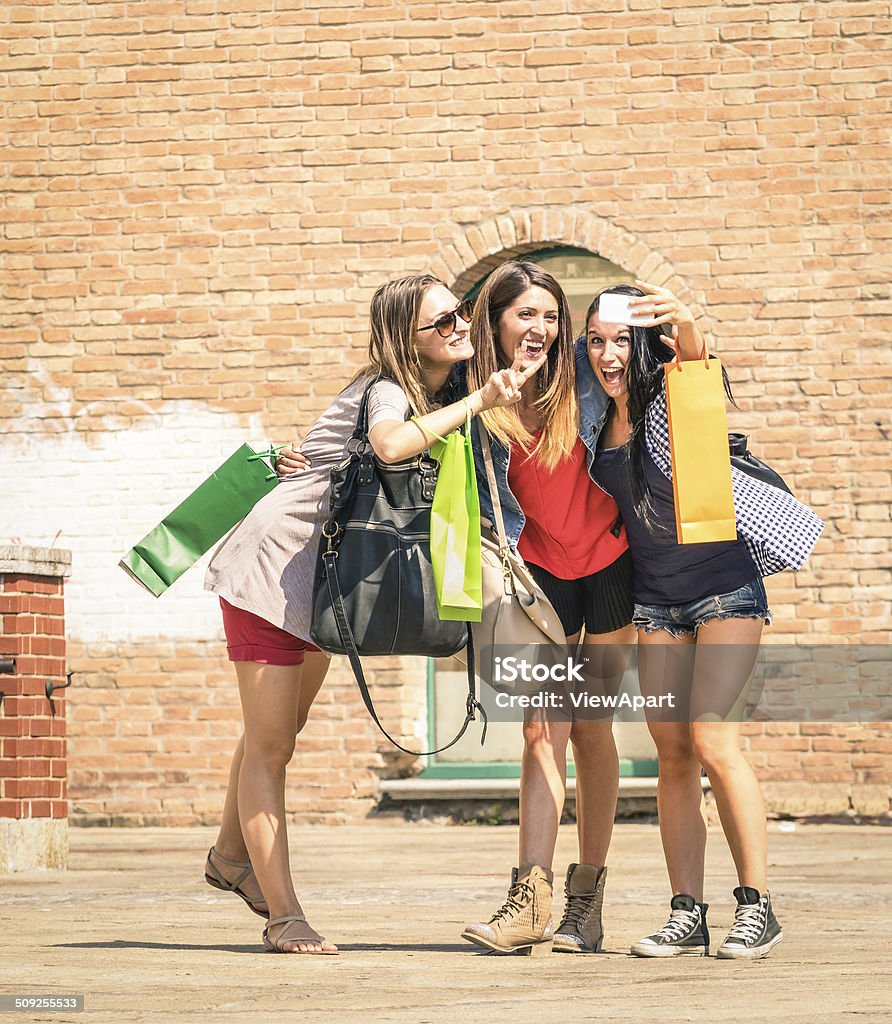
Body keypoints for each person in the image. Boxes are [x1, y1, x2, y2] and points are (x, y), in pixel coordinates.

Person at [203, 274, 539, 954]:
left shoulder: (437, 392)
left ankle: (230, 858)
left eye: (462, 314)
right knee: (272, 745)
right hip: (274, 571)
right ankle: (284, 915)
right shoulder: (389, 387)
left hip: (324, 581)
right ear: (402, 339)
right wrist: (482, 396)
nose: (460, 328)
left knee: (279, 728)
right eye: (442, 321)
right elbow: (389, 445)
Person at [584, 281, 823, 959]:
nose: (608, 353)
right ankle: (687, 912)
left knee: (715, 740)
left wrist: (686, 322)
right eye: (597, 339)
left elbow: (694, 361)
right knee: (674, 753)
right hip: (655, 601)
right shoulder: (593, 421)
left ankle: (758, 908)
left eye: (622, 338)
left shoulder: (674, 398)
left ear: (646, 343)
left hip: (724, 591)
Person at [459, 261, 636, 957]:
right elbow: (393, 412)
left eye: (550, 316)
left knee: (592, 728)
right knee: (541, 728)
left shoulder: (584, 374)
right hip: (538, 573)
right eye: (524, 315)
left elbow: (659, 373)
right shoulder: (473, 393)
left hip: (613, 563)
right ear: (495, 322)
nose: (539, 328)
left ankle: (585, 905)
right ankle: (527, 901)